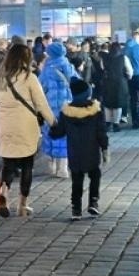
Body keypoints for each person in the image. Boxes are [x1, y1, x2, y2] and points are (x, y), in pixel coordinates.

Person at [0, 41, 53, 217]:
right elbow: (41, 104)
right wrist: (53, 122)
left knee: (8, 164)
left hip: (5, 126)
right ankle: (22, 206)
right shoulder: (29, 78)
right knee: (27, 166)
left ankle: (3, 192)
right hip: (26, 126)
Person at [49, 77, 108, 219]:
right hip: (92, 151)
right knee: (95, 175)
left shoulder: (66, 112)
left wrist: (52, 127)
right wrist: (105, 148)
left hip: (74, 152)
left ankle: (76, 208)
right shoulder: (96, 110)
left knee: (77, 179)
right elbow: (101, 131)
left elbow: (58, 132)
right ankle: (93, 202)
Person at [39, 41, 77, 177]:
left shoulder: (47, 69)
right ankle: (63, 168)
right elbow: (77, 85)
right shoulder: (69, 67)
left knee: (50, 134)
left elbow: (40, 88)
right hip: (67, 107)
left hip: (50, 107)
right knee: (65, 136)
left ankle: (52, 166)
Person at [100, 39, 131, 132]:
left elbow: (102, 68)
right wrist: (128, 77)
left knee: (108, 103)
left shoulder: (104, 57)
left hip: (107, 82)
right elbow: (129, 70)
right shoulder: (123, 57)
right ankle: (116, 124)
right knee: (118, 103)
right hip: (120, 82)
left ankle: (108, 122)